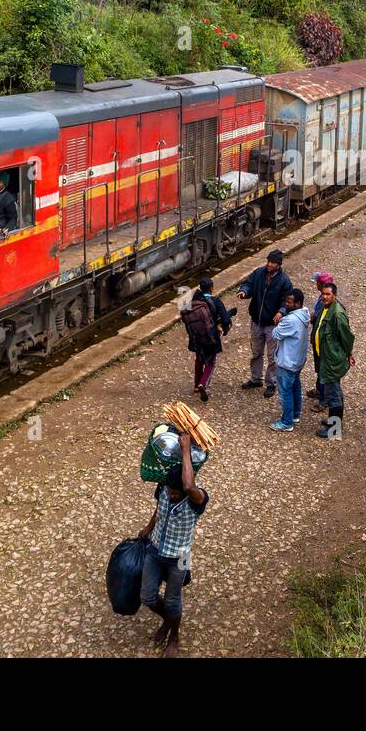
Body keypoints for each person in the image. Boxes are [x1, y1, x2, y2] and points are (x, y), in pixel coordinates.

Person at [138, 433, 208, 658]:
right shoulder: (166, 488)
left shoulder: (197, 498)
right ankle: (169, 620)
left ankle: (174, 636)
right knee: (147, 596)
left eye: (176, 492)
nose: (172, 494)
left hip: (180, 556)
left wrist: (186, 448)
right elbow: (159, 507)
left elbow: (187, 485)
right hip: (156, 550)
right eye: (170, 490)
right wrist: (148, 529)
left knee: (172, 599)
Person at [237, 249, 293, 395]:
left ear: (278, 264)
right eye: (268, 261)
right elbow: (248, 284)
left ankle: (271, 382)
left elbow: (286, 302)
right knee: (256, 352)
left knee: (273, 356)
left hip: (272, 325)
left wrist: (281, 312)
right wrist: (244, 291)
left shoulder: (284, 281)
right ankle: (256, 379)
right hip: (256, 321)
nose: (269, 264)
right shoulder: (258, 273)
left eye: (272, 262)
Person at [313, 281, 355, 438]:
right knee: (334, 391)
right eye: (323, 294)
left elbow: (347, 336)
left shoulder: (337, 314)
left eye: (328, 294)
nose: (324, 297)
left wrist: (349, 353)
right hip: (325, 358)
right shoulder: (325, 308)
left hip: (332, 361)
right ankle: (333, 422)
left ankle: (334, 430)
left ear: (334, 296)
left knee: (333, 395)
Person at [182, 277, 233, 402]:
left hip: (196, 337)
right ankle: (202, 384)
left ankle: (195, 385)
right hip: (211, 337)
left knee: (199, 360)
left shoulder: (193, 301)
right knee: (211, 362)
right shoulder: (215, 300)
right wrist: (225, 328)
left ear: (200, 288)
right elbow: (226, 319)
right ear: (211, 288)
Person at [269, 289, 311, 431]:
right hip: (298, 359)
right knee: (295, 386)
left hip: (288, 361)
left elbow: (275, 334)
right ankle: (295, 414)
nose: (286, 304)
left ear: (298, 303)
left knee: (285, 390)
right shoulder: (304, 313)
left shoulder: (290, 320)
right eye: (286, 301)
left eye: (289, 302)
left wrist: (279, 322)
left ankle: (287, 422)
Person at [308, 271, 332, 399]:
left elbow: (314, 318)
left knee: (322, 368)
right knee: (320, 367)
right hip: (319, 338)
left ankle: (324, 397)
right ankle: (320, 390)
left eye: (317, 282)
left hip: (322, 341)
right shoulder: (325, 297)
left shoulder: (324, 301)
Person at [0, 172, 19, 237]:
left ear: (4, 185)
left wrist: (7, 228)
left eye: (0, 182)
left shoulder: (7, 198)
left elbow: (13, 218)